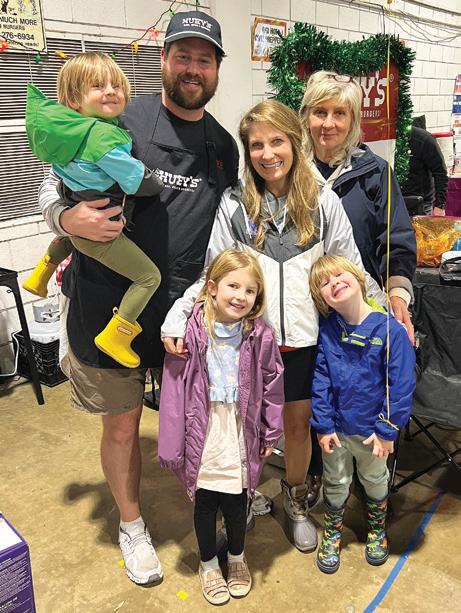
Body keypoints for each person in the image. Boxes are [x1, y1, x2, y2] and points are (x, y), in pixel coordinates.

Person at [38, 10, 239, 585]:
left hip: (185, 313)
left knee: (202, 419)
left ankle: (216, 505)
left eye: (204, 59)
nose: (193, 68)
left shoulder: (224, 147)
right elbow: (50, 186)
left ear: (216, 69)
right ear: (163, 60)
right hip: (108, 305)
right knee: (123, 426)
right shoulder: (119, 116)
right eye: (183, 56)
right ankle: (132, 525)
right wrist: (65, 217)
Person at [162, 99, 386, 554]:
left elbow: (351, 269)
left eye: (277, 141)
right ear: (247, 151)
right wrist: (179, 312)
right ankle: (242, 496)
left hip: (306, 342)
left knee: (298, 429)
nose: (267, 154)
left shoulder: (322, 201)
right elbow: (214, 273)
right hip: (248, 343)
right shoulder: (234, 204)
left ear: (294, 143)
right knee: (244, 427)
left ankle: (297, 501)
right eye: (256, 145)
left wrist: (382, 318)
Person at [299, 70, 417, 501]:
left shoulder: (375, 173)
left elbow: (396, 240)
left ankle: (370, 474)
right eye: (319, 112)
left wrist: (398, 294)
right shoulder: (289, 169)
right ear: (306, 116)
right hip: (302, 308)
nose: (328, 123)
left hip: (354, 309)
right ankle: (317, 471)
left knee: (359, 388)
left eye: (339, 113)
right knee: (314, 392)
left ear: (353, 121)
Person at [158, 249, 284, 605]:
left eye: (250, 290)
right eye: (233, 286)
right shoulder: (191, 330)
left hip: (241, 431)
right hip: (204, 430)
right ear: (212, 287)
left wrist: (271, 430)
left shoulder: (260, 334)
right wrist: (171, 440)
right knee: (205, 501)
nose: (241, 296)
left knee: (237, 501)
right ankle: (209, 563)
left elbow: (273, 384)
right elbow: (173, 390)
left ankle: (237, 558)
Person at [23, 54, 164, 368]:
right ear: (74, 99)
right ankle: (117, 334)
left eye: (117, 85)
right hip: (100, 236)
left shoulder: (71, 133)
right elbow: (136, 180)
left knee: (73, 234)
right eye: (98, 86)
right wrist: (156, 181)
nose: (111, 91)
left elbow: (58, 179)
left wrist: (67, 218)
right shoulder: (103, 138)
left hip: (78, 219)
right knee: (148, 277)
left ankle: (42, 271)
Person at [309, 255, 415, 574]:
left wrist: (387, 430)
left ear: (358, 278)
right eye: (324, 283)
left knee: (374, 480)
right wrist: (323, 425)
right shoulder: (328, 330)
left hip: (373, 434)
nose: (334, 282)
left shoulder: (391, 330)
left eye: (340, 275)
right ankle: (332, 533)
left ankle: (377, 530)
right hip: (337, 431)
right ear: (322, 298)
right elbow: (321, 380)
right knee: (336, 481)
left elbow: (401, 385)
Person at [401, 122, 448, 216]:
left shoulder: (423, 139)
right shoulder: (386, 138)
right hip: (392, 201)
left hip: (420, 203)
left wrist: (440, 205)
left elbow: (440, 173)